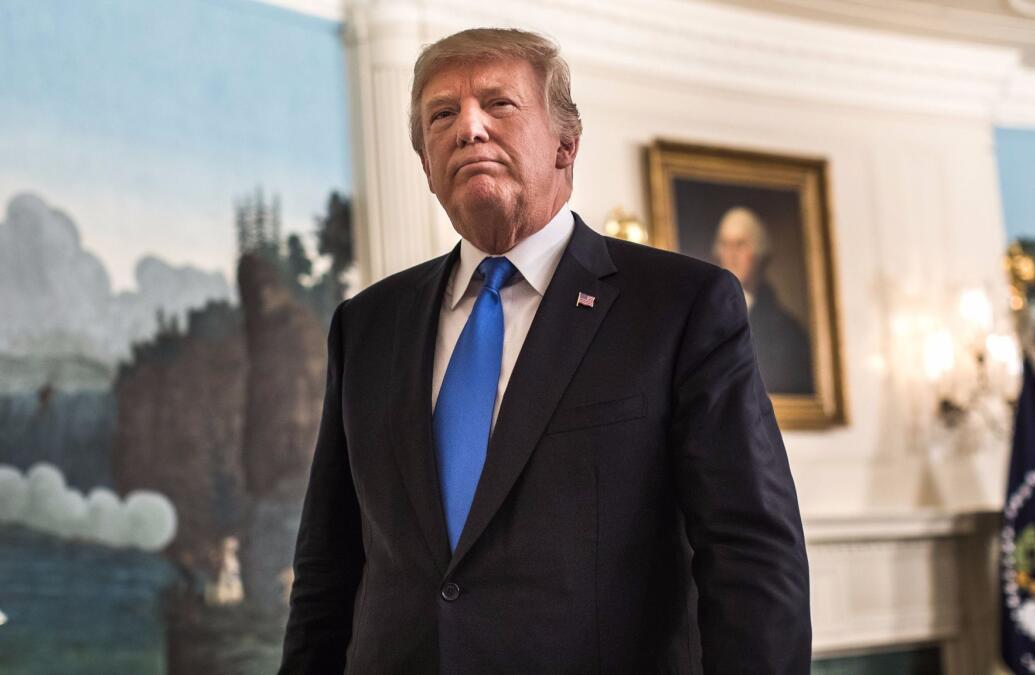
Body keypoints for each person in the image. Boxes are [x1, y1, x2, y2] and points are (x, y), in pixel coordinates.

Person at [279, 28, 810, 674]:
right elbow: (326, 572)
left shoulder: (680, 307)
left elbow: (751, 554)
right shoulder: (365, 326)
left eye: (498, 104)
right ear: (425, 165)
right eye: (441, 114)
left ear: (566, 145)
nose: (468, 127)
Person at [712, 206, 814, 394]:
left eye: (740, 245)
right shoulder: (704, 318)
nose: (731, 255)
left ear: (759, 253)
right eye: (725, 245)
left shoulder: (787, 330)